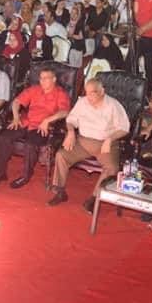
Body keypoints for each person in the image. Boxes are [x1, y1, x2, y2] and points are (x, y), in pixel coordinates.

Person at [49, 78, 130, 210]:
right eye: (87, 92)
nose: (89, 97)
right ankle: (59, 191)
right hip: (83, 142)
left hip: (104, 144)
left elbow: (124, 128)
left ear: (102, 91)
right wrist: (70, 131)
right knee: (61, 156)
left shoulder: (113, 105)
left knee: (111, 167)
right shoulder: (82, 102)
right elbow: (71, 119)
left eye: (93, 93)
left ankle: (94, 198)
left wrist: (110, 139)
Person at [0, 67, 71, 188]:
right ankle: (0, 173)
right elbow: (16, 102)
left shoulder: (60, 94)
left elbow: (64, 112)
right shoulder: (35, 89)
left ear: (54, 79)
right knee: (3, 137)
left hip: (43, 127)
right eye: (41, 78)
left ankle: (26, 176)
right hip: (27, 122)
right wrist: (16, 117)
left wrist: (48, 120)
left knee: (30, 144)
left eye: (46, 78)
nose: (42, 81)